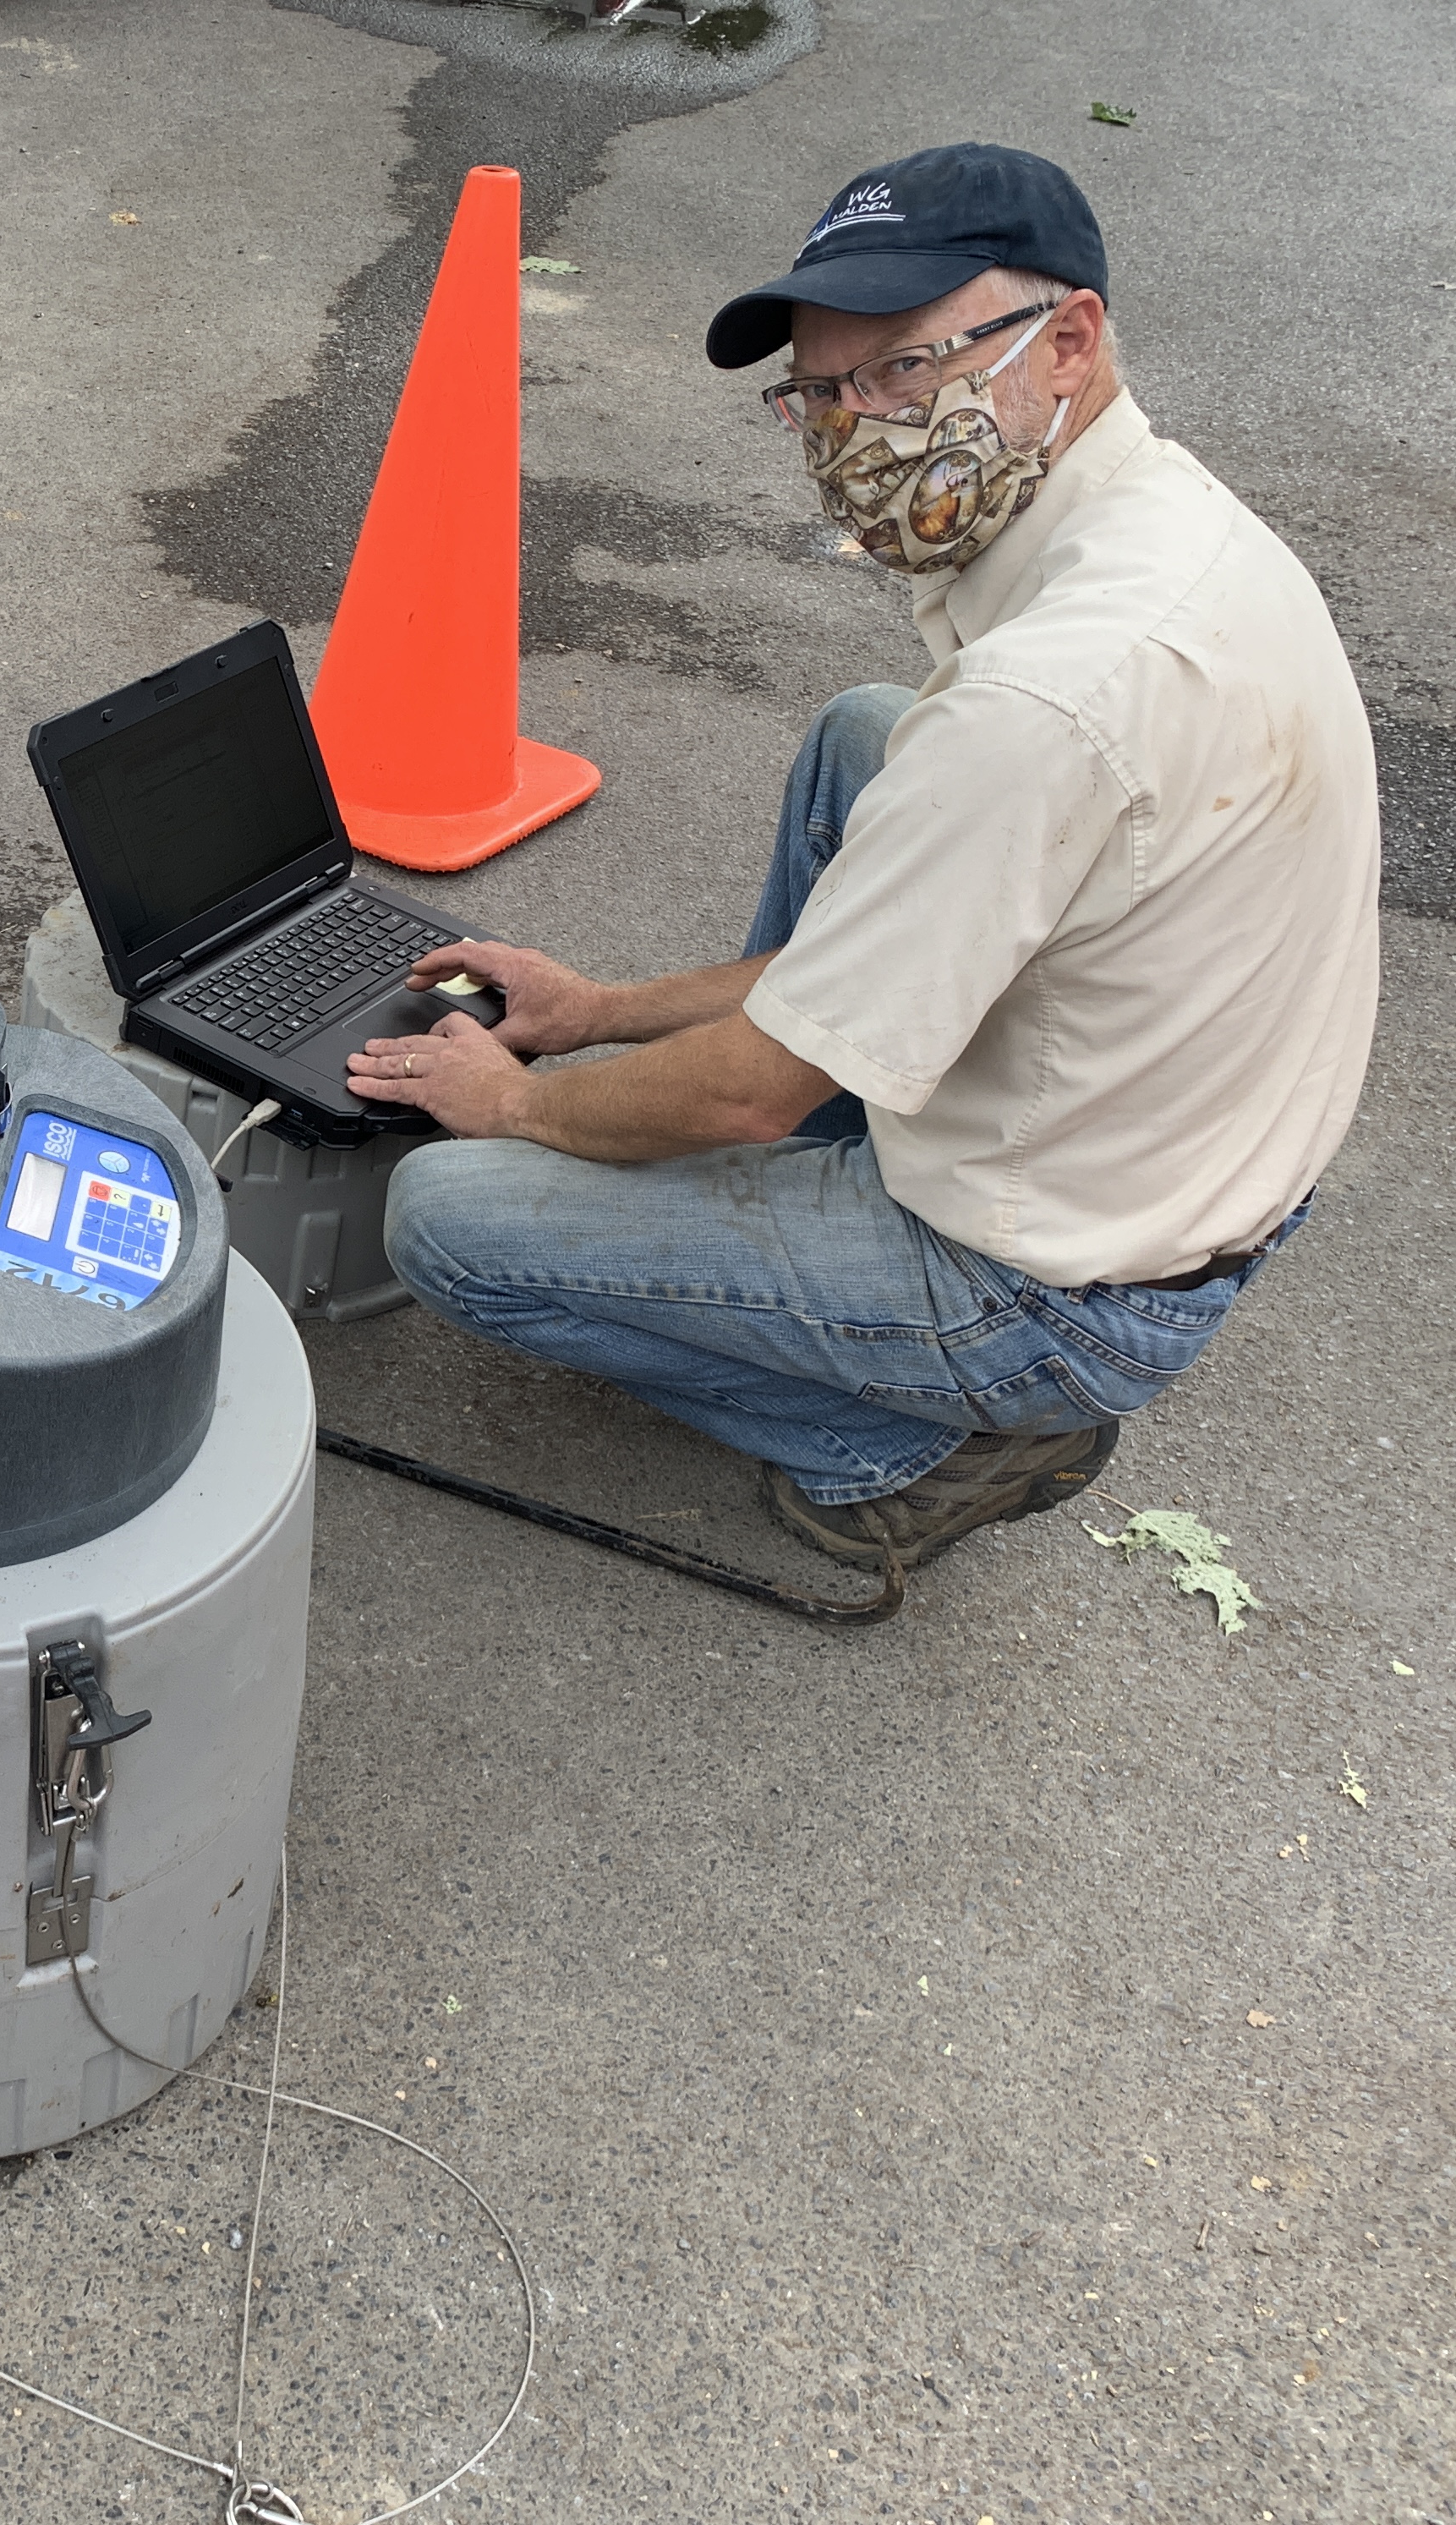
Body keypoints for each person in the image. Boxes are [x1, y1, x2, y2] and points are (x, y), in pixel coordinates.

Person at [353, 143, 1379, 1569]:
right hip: (1170, 1146)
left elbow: (751, 1090)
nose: (859, 430)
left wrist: (519, 1105)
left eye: (905, 370)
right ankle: (838, 1199)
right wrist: (594, 1016)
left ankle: (915, 1437)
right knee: (867, 736)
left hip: (1061, 1286)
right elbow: (910, 927)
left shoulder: (1049, 703)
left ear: (1067, 339)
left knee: (447, 1218)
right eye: (824, 393)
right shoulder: (1170, 522)